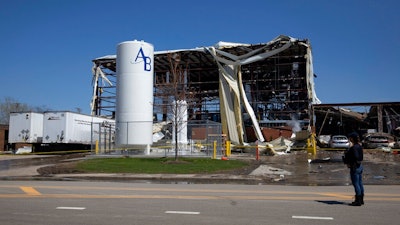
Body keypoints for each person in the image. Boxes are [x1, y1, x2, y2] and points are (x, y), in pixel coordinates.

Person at [343, 132, 364, 206]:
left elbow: (355, 157)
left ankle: (358, 200)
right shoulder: (359, 146)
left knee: (356, 184)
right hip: (360, 166)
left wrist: (349, 161)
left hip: (354, 167)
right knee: (360, 183)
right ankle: (361, 199)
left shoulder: (354, 148)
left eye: (350, 138)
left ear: (352, 138)